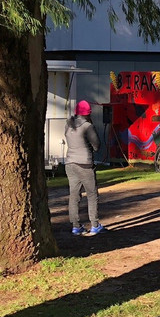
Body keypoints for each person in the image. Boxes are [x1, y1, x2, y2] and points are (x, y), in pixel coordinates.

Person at [65, 100, 104, 236]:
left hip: (70, 163)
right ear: (88, 114)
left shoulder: (68, 125)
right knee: (92, 194)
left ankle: (76, 226)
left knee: (74, 195)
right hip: (85, 164)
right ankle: (95, 224)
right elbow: (97, 145)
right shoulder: (88, 126)